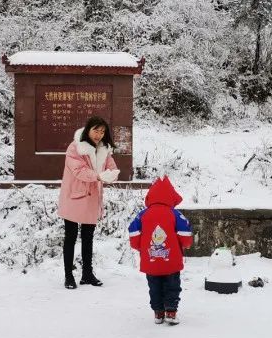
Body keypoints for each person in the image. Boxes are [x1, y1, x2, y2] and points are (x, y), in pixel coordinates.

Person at [58, 116, 120, 290]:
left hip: (92, 197)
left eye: (102, 131)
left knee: (88, 237)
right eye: (96, 130)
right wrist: (99, 176)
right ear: (88, 130)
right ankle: (68, 276)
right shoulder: (75, 147)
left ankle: (87, 274)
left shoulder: (104, 150)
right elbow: (78, 170)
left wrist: (112, 175)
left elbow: (112, 168)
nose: (99, 135)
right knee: (70, 237)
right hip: (74, 196)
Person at [128, 176, 193, 326]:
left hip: (151, 261)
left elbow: (133, 232)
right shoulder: (175, 214)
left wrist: (141, 247)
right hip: (171, 261)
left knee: (154, 287)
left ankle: (158, 312)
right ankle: (171, 311)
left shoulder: (142, 215)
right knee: (172, 286)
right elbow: (185, 233)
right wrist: (185, 245)